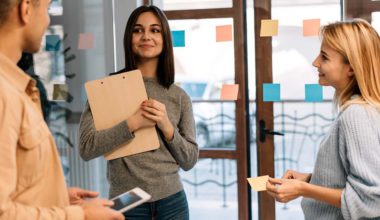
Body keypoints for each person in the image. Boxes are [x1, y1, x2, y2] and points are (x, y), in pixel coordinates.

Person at [0, 0, 124, 219]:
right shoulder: (4, 94)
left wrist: (55, 198)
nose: (48, 21)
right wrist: (79, 216)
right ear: (26, 9)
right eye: (47, 9)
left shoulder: (15, 88)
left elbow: (14, 190)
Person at [79, 5, 199, 220]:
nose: (146, 36)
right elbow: (86, 148)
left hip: (172, 201)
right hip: (126, 202)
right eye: (138, 30)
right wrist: (132, 124)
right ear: (129, 37)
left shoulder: (179, 96)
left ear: (165, 38)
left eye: (155, 30)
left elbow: (189, 160)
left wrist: (166, 126)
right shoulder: (106, 89)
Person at [266, 19, 380, 219]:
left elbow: (370, 199)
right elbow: (354, 180)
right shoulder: (364, 109)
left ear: (351, 68)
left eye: (324, 57)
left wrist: (302, 189)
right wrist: (312, 179)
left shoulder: (356, 114)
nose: (315, 62)